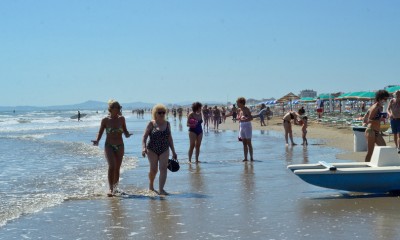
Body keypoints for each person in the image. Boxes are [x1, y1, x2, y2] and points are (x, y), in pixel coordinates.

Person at [92, 100, 132, 197]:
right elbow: (100, 132)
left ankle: (115, 189)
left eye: (119, 107)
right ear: (111, 109)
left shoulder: (122, 119)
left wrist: (127, 134)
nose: (118, 109)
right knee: (112, 166)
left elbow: (125, 131)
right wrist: (97, 140)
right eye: (117, 107)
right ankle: (110, 189)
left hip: (120, 146)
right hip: (109, 145)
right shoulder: (105, 120)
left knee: (117, 168)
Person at [142, 104, 178, 195]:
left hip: (164, 149)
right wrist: (143, 147)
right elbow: (145, 136)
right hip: (152, 149)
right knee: (154, 170)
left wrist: (173, 151)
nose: (162, 114)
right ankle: (151, 185)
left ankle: (161, 189)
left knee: (163, 169)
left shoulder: (167, 124)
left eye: (163, 112)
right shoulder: (151, 124)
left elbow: (170, 138)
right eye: (159, 112)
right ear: (155, 113)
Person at [365, 90, 390, 162]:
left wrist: (381, 118)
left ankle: (378, 163)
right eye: (385, 99)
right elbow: (369, 120)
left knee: (384, 147)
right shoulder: (375, 107)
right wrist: (379, 120)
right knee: (370, 152)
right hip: (371, 131)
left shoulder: (380, 107)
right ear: (379, 98)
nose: (385, 101)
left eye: (386, 99)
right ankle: (366, 168)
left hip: (376, 131)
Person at [227, 97, 254, 161]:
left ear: (241, 103)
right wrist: (237, 119)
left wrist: (245, 119)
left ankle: (251, 158)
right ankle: (245, 158)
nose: (237, 104)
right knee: (244, 143)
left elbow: (251, 118)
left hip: (247, 126)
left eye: (237, 103)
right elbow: (237, 116)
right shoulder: (239, 110)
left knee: (249, 142)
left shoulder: (246, 109)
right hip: (242, 126)